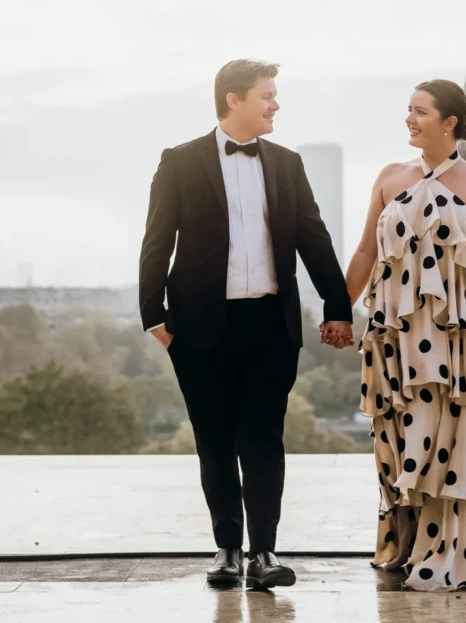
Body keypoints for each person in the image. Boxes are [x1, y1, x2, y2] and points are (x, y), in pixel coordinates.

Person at [138, 59, 353, 590]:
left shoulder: (287, 163)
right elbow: (156, 240)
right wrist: (154, 319)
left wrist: (337, 305)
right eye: (267, 95)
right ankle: (227, 550)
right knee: (213, 441)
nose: (276, 104)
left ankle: (264, 553)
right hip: (199, 326)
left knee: (263, 441)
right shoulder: (179, 161)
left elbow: (314, 237)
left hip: (270, 324)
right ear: (234, 99)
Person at [343, 79, 466, 591]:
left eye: (420, 111)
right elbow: (365, 252)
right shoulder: (389, 176)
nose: (409, 119)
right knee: (400, 437)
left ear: (450, 122)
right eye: (408, 109)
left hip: (453, 341)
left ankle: (446, 552)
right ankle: (407, 542)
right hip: (396, 335)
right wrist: (339, 312)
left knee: (451, 440)